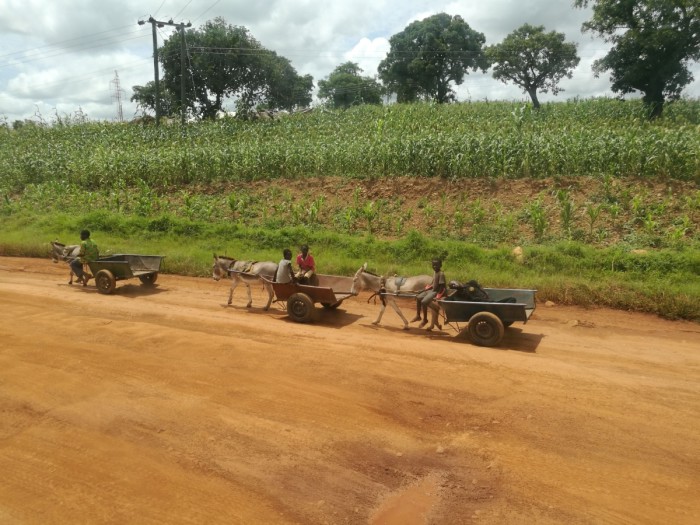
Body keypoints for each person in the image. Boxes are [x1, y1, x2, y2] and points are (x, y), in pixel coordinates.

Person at [412, 258, 446, 327]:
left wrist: (438, 296)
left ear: (440, 265)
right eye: (433, 265)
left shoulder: (441, 274)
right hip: (432, 290)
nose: (434, 267)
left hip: (436, 291)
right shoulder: (435, 272)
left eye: (436, 265)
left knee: (424, 302)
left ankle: (425, 320)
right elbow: (433, 284)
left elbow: (442, 287)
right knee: (418, 297)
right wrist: (423, 290)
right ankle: (418, 315)